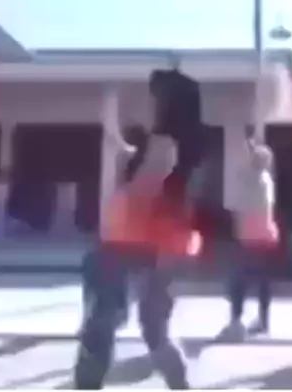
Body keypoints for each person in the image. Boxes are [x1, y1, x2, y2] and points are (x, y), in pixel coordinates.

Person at [72, 118, 199, 389]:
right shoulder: (147, 171)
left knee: (115, 324)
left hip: (135, 252)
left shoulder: (158, 176)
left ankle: (178, 382)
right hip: (127, 251)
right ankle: (178, 382)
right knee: (127, 326)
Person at [223, 136, 280, 337]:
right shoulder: (266, 180)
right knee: (263, 281)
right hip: (266, 236)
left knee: (238, 281)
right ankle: (263, 321)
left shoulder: (248, 179)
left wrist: (249, 147)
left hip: (248, 237)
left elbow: (238, 206)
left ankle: (236, 321)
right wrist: (252, 148)